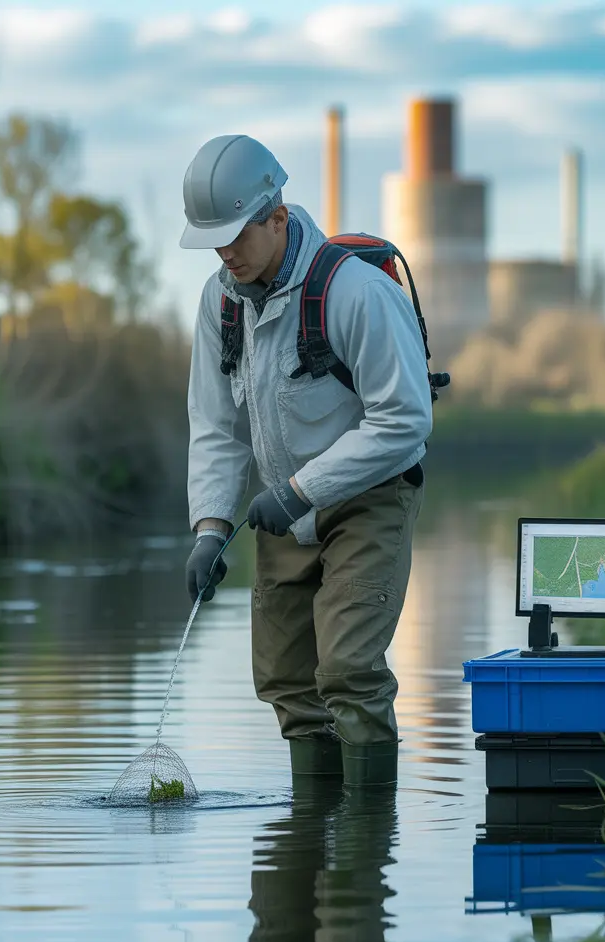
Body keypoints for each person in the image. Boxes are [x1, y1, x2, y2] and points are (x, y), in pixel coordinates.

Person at [178, 133, 432, 788]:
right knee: (289, 683)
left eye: (237, 234)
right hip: (284, 510)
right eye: (214, 239)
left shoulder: (356, 294)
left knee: (348, 671)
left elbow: (405, 422)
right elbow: (213, 426)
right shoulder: (219, 302)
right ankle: (307, 843)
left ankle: (363, 846)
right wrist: (208, 530)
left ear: (279, 218)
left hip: (369, 500)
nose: (225, 252)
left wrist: (299, 489)